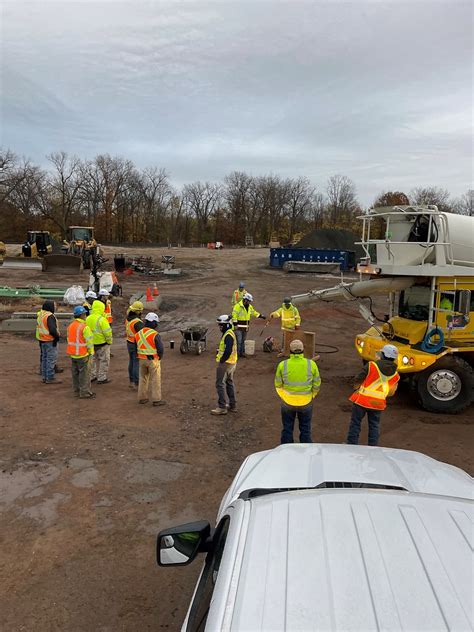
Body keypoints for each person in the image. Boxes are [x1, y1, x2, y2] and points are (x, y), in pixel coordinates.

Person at [346, 343, 400, 446]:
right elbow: (391, 393)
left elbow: (358, 379)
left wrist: (356, 388)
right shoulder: (396, 375)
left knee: (355, 424)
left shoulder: (372, 365)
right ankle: (373, 447)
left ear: (383, 355)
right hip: (378, 404)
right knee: (374, 425)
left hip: (362, 401)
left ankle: (351, 445)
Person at [274, 339, 321, 444]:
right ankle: (306, 453)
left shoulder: (283, 365)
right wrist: (312, 395)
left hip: (287, 403)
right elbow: (317, 383)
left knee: (287, 429)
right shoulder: (311, 364)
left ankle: (286, 452)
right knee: (305, 430)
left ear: (290, 351)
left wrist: (284, 396)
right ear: (303, 350)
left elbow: (278, 384)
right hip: (306, 402)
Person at [135, 312, 165, 406]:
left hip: (141, 359)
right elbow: (160, 348)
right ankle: (157, 400)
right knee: (155, 379)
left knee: (142, 378)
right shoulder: (155, 334)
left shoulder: (138, 333)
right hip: (153, 360)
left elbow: (136, 346)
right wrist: (159, 357)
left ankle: (142, 398)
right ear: (154, 323)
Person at [211, 314, 238, 415]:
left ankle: (222, 407)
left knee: (219, 384)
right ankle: (232, 405)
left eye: (221, 325)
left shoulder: (228, 335)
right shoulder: (230, 333)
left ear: (227, 325)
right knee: (229, 383)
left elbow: (228, 350)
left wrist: (222, 360)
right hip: (232, 362)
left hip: (226, 363)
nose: (220, 327)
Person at [66, 306, 95, 399]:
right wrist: (91, 352)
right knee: (84, 374)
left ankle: (76, 391)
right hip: (83, 354)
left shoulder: (71, 326)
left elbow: (69, 339)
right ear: (82, 315)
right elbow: (89, 342)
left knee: (75, 374)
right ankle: (84, 392)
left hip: (73, 354)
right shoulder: (84, 327)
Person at [86, 299, 113, 384]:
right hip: (102, 344)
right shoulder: (102, 319)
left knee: (92, 361)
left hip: (91, 344)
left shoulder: (87, 318)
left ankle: (92, 376)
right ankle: (102, 378)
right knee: (104, 360)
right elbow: (107, 332)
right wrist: (109, 341)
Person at [231, 292, 266, 357]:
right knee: (239, 341)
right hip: (238, 327)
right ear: (245, 300)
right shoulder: (237, 306)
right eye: (249, 301)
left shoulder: (249, 307)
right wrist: (235, 324)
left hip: (245, 327)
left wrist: (260, 316)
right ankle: (237, 355)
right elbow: (234, 315)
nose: (249, 302)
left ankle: (241, 353)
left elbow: (253, 313)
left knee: (243, 341)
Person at [36, 300, 61, 384]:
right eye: (54, 305)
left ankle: (45, 377)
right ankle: (50, 377)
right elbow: (52, 329)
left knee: (44, 359)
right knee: (51, 359)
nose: (55, 307)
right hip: (50, 340)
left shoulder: (41, 314)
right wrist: (57, 337)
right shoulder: (50, 316)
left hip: (42, 340)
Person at [125, 301, 144, 389]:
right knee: (136, 363)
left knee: (131, 362)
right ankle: (137, 383)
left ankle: (131, 381)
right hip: (135, 344)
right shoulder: (137, 322)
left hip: (129, 342)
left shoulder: (128, 318)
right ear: (138, 311)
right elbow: (142, 334)